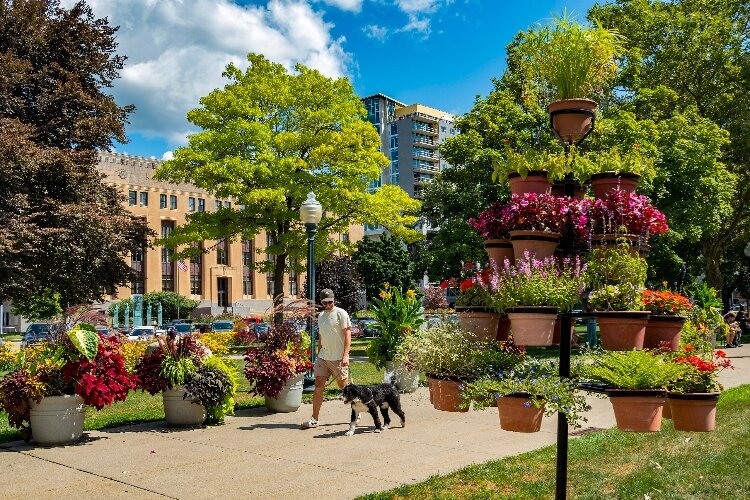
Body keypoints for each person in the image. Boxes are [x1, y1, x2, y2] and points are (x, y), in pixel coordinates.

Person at [301, 288, 352, 429]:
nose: (328, 305)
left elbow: (348, 335)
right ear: (322, 303)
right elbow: (321, 337)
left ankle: (356, 411)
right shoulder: (321, 316)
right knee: (318, 384)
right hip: (323, 357)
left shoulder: (341, 313)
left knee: (344, 387)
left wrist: (345, 355)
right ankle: (314, 419)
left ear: (334, 300)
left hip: (338, 358)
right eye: (325, 303)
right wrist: (318, 354)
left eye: (330, 302)